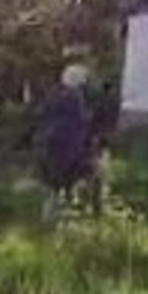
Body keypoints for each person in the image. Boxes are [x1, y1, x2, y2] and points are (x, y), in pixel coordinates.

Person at [35, 64, 95, 222]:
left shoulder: (53, 96)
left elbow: (41, 118)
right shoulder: (73, 100)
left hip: (50, 147)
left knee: (53, 186)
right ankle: (74, 213)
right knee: (83, 177)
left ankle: (50, 216)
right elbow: (79, 127)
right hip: (67, 150)